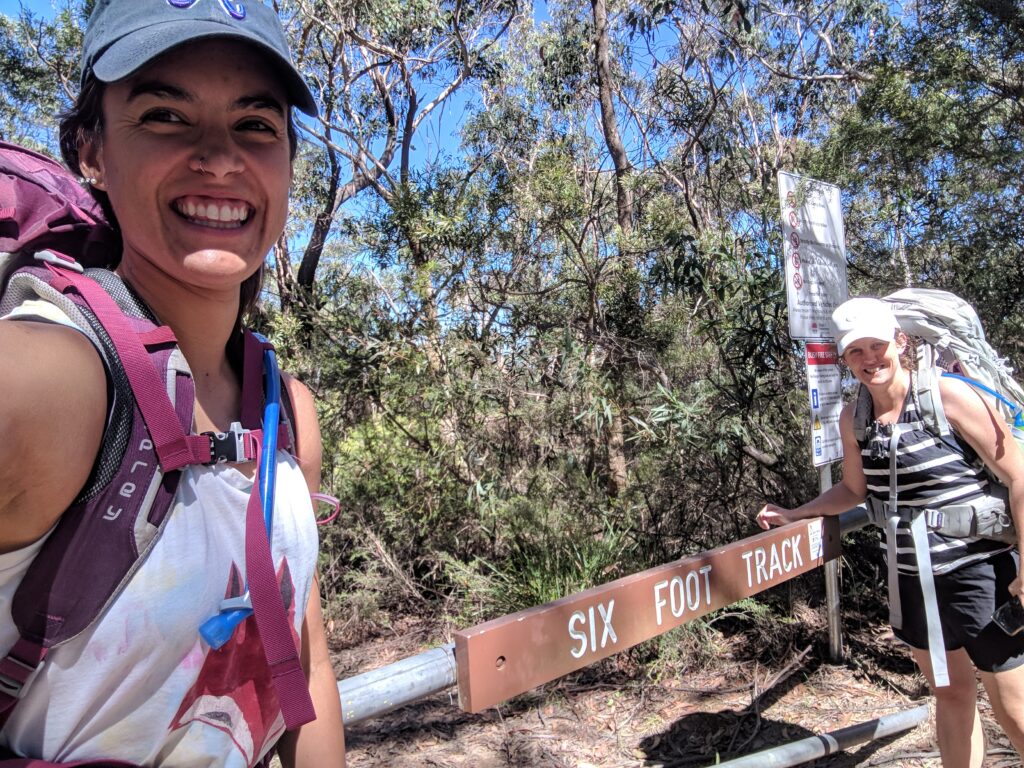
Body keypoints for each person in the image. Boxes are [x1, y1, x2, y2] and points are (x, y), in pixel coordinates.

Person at [0, 1, 345, 765]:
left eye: (256, 125)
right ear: (90, 150)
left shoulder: (285, 411)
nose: (220, 159)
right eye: (165, 115)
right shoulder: (59, 381)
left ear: (288, 160)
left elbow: (304, 661)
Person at [756, 297, 1024, 768]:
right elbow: (854, 490)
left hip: (984, 575)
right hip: (912, 580)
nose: (868, 360)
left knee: (1013, 705)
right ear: (843, 358)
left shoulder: (949, 396)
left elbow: (1020, 475)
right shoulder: (854, 417)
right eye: (855, 352)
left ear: (900, 342)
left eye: (876, 345)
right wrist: (796, 513)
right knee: (952, 695)